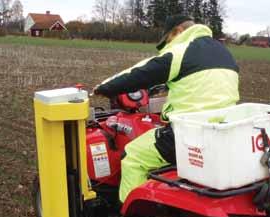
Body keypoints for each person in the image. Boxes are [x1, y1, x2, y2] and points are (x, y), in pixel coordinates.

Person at [94, 15, 240, 203]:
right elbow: (202, 84)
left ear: (178, 31)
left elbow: (140, 72)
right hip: (224, 131)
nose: (167, 46)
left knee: (133, 156)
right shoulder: (223, 52)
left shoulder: (181, 50)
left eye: (167, 40)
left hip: (188, 134)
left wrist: (102, 88)